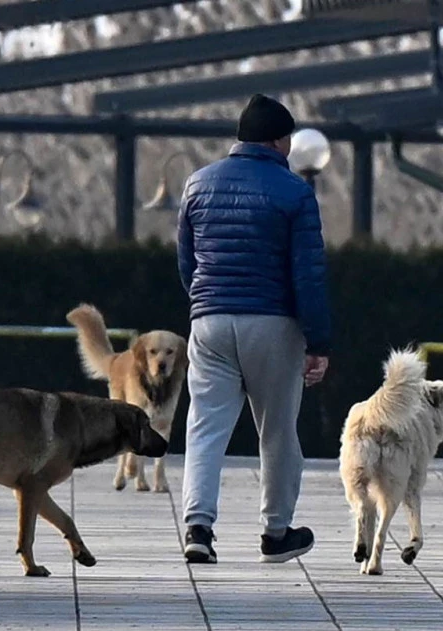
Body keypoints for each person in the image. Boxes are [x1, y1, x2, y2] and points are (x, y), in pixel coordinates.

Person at [176, 93, 332, 565]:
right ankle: (276, 533)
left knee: (204, 427)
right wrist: (318, 341)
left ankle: (198, 528)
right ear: (281, 140)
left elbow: (188, 261)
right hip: (273, 323)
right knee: (278, 430)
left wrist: (206, 304)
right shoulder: (295, 192)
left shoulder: (197, 184)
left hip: (209, 320)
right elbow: (308, 272)